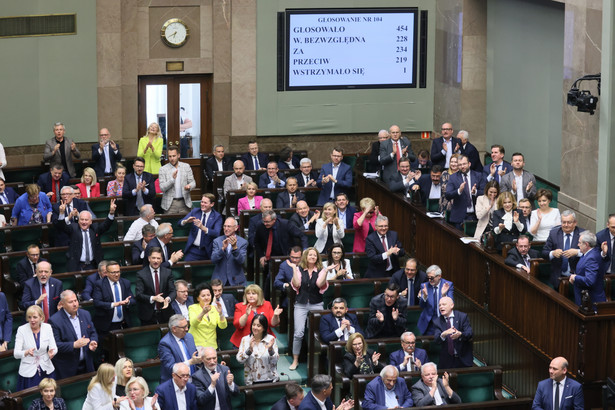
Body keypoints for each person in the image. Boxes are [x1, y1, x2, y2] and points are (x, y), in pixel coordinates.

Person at [289, 248, 333, 370]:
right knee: (298, 333)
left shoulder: (320, 270)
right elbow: (296, 284)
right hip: (301, 304)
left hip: (316, 304)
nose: (313, 257)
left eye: (315, 255)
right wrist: (293, 269)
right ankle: (295, 359)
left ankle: (314, 359)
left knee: (316, 333)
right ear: (306, 257)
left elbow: (320, 284)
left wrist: (326, 272)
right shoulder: (298, 269)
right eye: (310, 255)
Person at [53, 200, 117, 271]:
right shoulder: (73, 228)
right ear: (78, 220)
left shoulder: (95, 228)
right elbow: (61, 226)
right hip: (77, 265)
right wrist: (62, 213)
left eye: (86, 220)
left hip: (93, 265)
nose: (84, 222)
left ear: (91, 221)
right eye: (82, 220)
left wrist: (111, 213)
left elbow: (106, 225)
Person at [48, 290, 98, 379]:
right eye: (71, 302)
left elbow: (93, 332)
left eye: (75, 300)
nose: (75, 304)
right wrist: (74, 345)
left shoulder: (85, 314)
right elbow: (55, 345)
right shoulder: (54, 320)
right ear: (62, 304)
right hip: (67, 368)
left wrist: (93, 341)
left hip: (87, 364)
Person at [14, 305, 57, 390]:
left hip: (46, 368)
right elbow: (16, 354)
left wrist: (52, 352)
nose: (32, 320)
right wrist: (26, 352)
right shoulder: (21, 329)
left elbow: (54, 347)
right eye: (29, 317)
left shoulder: (47, 327)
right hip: (28, 371)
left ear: (41, 317)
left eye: (35, 317)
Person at [542, 210, 583, 289]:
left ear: (575, 223)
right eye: (563, 222)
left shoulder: (583, 234)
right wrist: (553, 253)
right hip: (558, 278)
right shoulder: (553, 233)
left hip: (577, 277)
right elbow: (544, 252)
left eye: (569, 222)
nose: (566, 225)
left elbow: (592, 253)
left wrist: (577, 252)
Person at [92, 261, 135, 335]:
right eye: (113, 272)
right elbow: (97, 302)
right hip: (106, 324)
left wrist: (128, 302)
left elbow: (133, 300)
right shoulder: (99, 284)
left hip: (123, 323)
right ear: (107, 273)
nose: (116, 275)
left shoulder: (125, 283)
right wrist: (114, 304)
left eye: (118, 272)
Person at [136, 248, 176, 325]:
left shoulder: (167, 272)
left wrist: (168, 299)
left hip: (165, 313)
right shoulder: (141, 274)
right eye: (153, 258)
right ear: (149, 258)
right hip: (148, 315)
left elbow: (173, 291)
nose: (156, 261)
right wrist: (153, 298)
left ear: (162, 260)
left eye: (158, 258)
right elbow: (139, 294)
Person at [445, 155, 485, 230]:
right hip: (459, 218)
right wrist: (458, 191)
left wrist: (475, 192)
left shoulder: (478, 176)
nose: (462, 166)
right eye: (460, 165)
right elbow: (448, 195)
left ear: (469, 164)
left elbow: (485, 193)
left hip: (475, 216)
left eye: (464, 164)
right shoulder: (453, 177)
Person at [237, 314, 279, 385]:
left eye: (258, 326)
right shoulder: (245, 340)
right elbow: (239, 360)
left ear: (264, 328)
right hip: (251, 381)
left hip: (270, 380)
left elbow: (275, 361)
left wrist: (270, 350)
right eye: (254, 325)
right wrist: (249, 350)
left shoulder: (270, 339)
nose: (255, 327)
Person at [569, 231, 608, 309]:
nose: (578, 245)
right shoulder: (589, 253)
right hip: (584, 299)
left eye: (580, 243)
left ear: (586, 244)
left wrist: (575, 277)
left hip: (591, 302)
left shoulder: (591, 258)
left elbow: (590, 281)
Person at [158, 314, 200, 383]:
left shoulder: (189, 337)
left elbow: (195, 356)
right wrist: (190, 362)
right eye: (183, 327)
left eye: (187, 326)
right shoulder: (165, 343)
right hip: (175, 383)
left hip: (193, 381)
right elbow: (171, 367)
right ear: (174, 328)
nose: (187, 329)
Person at [433, 296, 473, 368]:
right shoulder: (437, 322)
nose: (441, 307)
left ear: (452, 305)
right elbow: (436, 340)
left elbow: (470, 333)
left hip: (463, 359)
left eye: (444, 304)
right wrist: (443, 334)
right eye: (439, 305)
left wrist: (460, 334)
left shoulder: (462, 317)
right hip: (446, 361)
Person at [181, 193, 223, 261]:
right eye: (202, 202)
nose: (202, 204)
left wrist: (203, 228)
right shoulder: (195, 212)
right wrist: (185, 221)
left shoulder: (217, 216)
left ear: (212, 204)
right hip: (193, 250)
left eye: (205, 203)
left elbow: (216, 233)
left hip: (208, 251)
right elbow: (179, 223)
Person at [417, 265, 454, 335]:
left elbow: (451, 305)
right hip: (429, 323)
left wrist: (443, 295)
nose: (429, 280)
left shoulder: (448, 285)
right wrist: (424, 297)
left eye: (432, 278)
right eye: (428, 278)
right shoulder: (424, 286)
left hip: (443, 321)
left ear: (439, 276)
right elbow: (422, 306)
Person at [211, 217, 248, 286]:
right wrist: (222, 249)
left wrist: (235, 248)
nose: (226, 229)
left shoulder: (243, 242)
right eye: (224, 226)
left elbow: (241, 261)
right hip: (219, 280)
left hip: (236, 281)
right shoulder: (217, 241)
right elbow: (213, 260)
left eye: (229, 226)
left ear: (236, 228)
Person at [189, 282, 227, 348]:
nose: (206, 298)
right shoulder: (192, 307)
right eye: (203, 296)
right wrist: (203, 313)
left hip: (211, 346)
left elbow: (223, 326)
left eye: (208, 295)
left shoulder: (214, 308)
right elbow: (193, 323)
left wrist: (221, 313)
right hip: (196, 346)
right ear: (198, 298)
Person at [159, 146, 196, 214]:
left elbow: (193, 182)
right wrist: (172, 180)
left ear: (178, 155)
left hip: (185, 203)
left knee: (186, 223)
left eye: (174, 156)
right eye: (170, 156)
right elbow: (162, 188)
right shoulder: (163, 169)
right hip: (170, 204)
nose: (172, 158)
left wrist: (189, 186)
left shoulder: (186, 166)